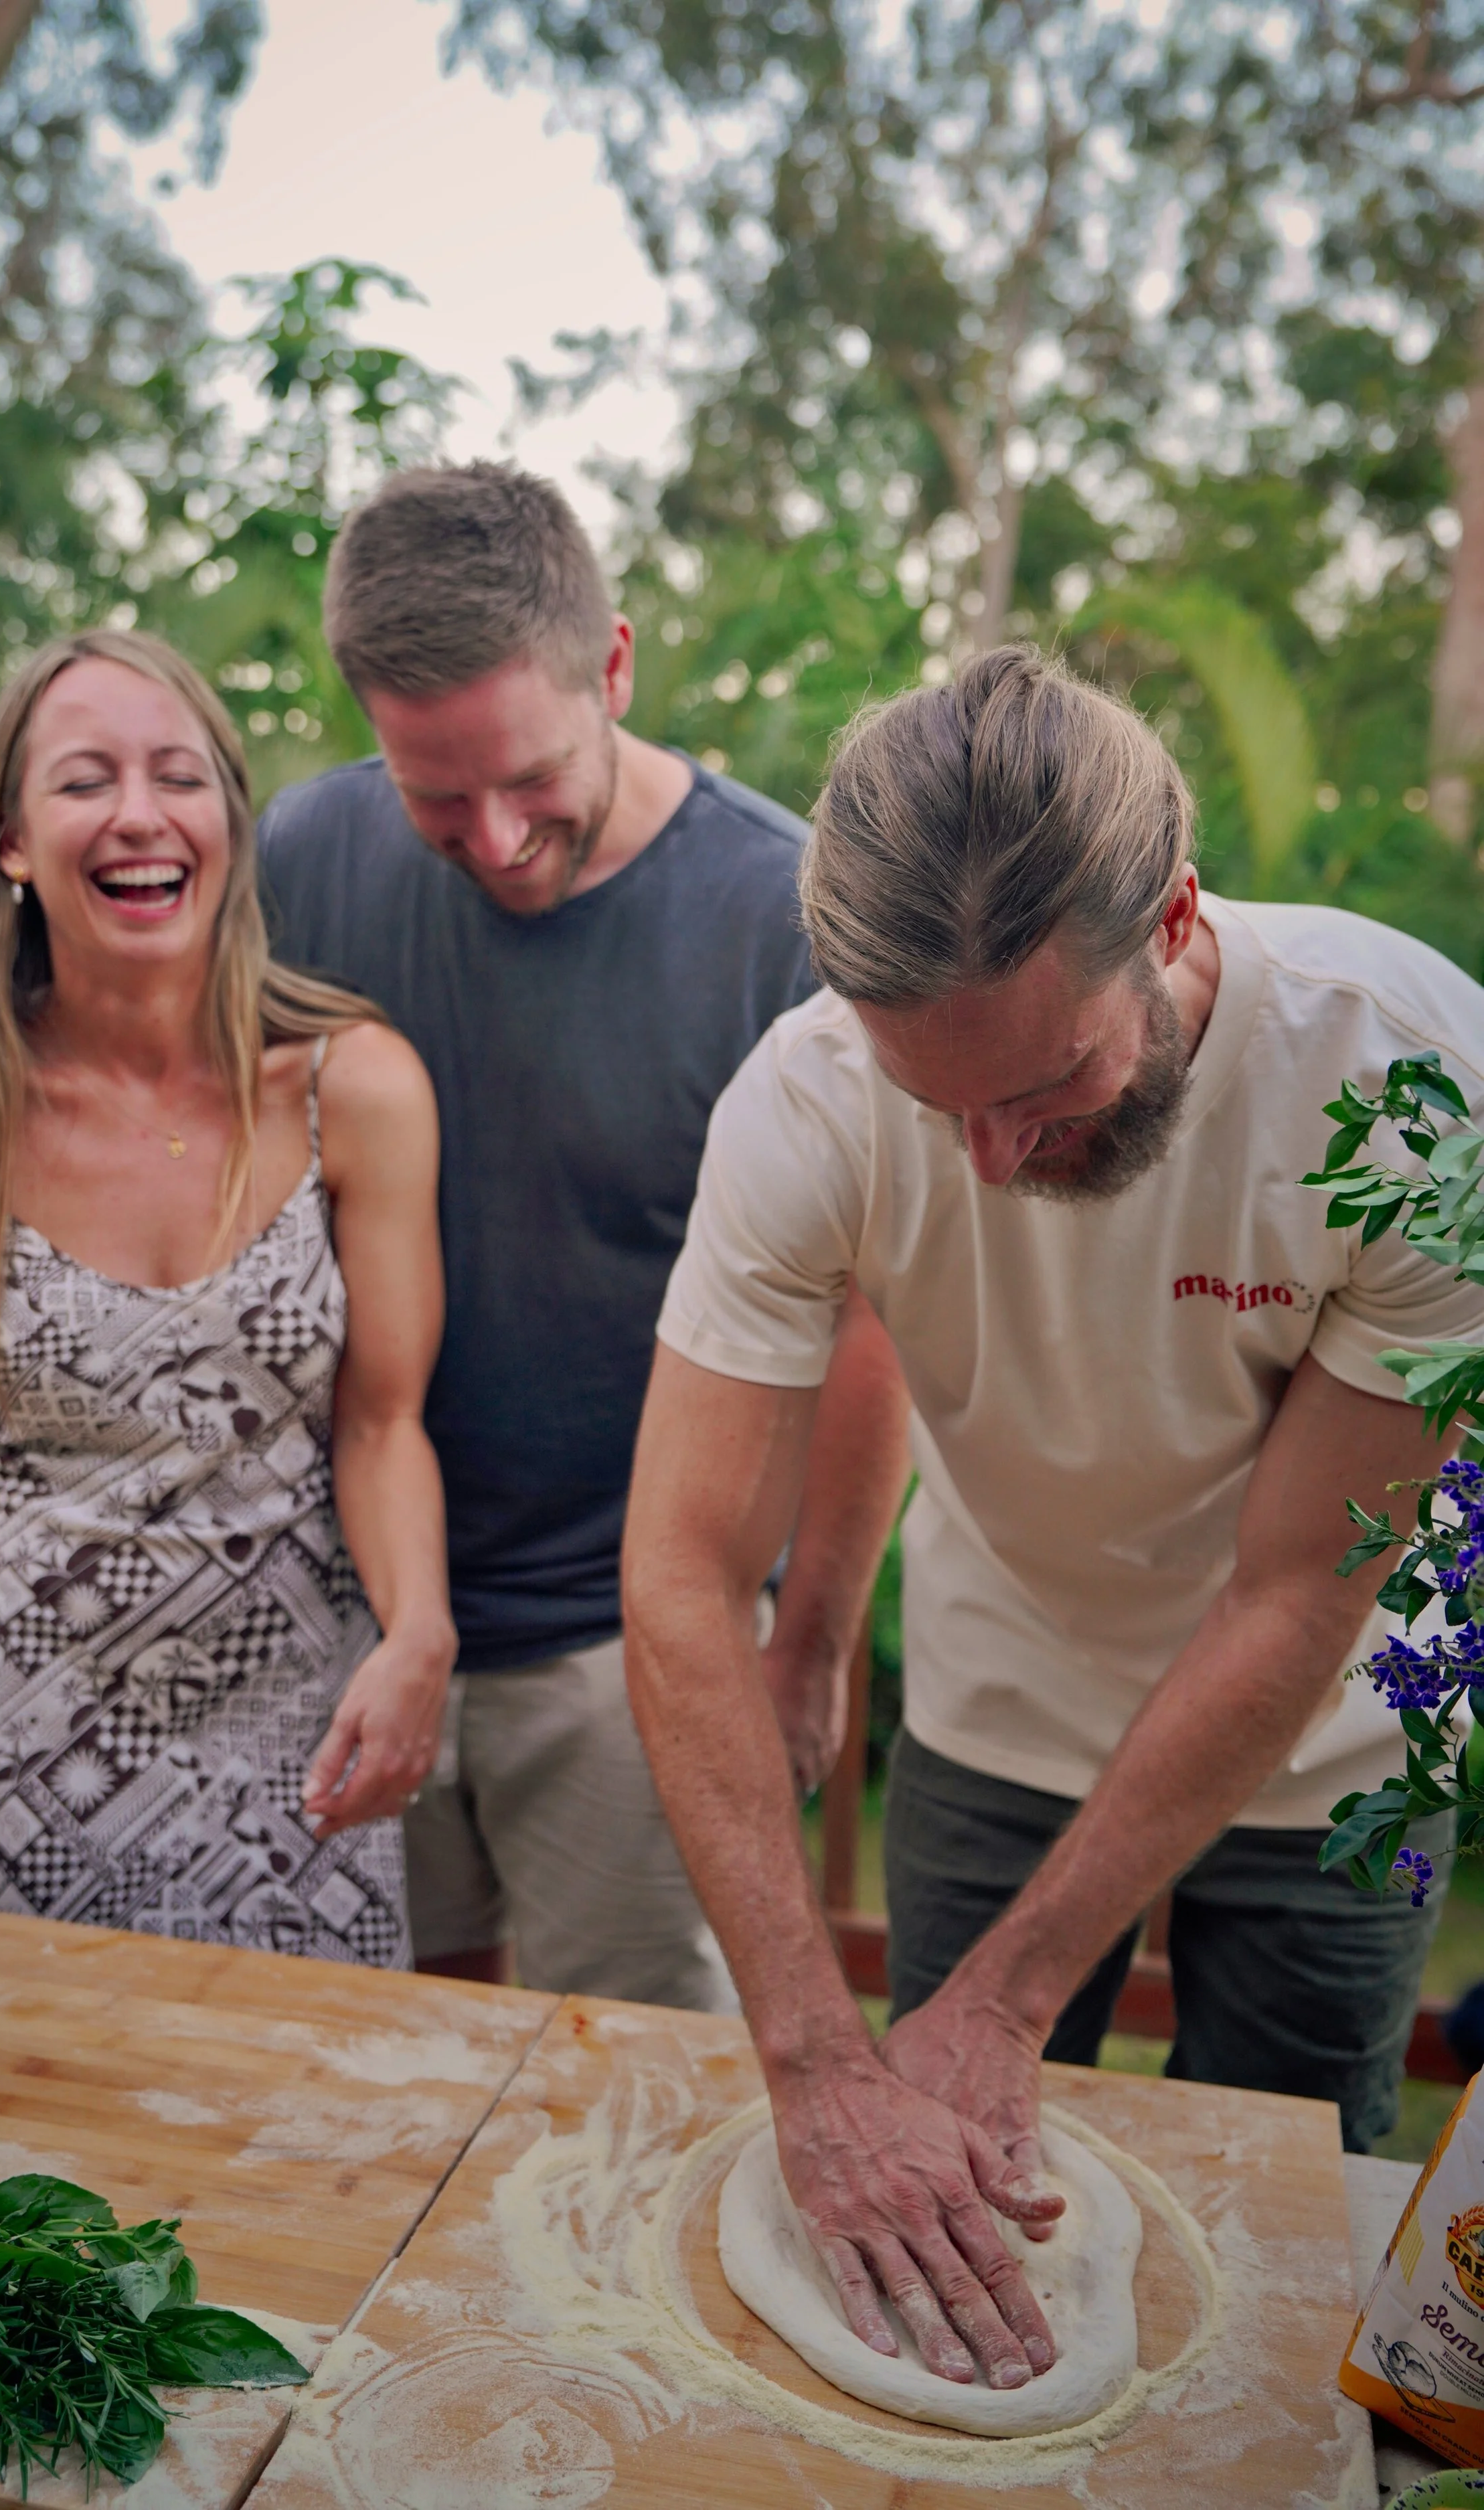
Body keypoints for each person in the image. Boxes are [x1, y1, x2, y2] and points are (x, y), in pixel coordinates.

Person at [0, 464, 908, 2009]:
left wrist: (806, 1645)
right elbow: (104, 977)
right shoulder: (315, 854)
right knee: (385, 2090)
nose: (494, 835)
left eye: (527, 778)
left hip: (627, 1643)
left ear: (615, 666)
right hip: (339, 1643)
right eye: (434, 794)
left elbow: (874, 1320)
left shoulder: (776, 923)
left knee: (634, 2086)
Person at [623, 645, 1484, 2389]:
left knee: (1267, 2302)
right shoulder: (802, 1102)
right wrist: (808, 2050)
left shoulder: (1410, 1086)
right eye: (938, 1103)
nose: (993, 1164)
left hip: (1327, 1750)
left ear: (1167, 922)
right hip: (994, 1702)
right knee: (944, 2275)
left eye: (1045, 1085)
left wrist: (1009, 2000)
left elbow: (1288, 1601)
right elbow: (679, 1575)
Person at [0, 629, 454, 1960]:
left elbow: (382, 1424)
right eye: (84, 781)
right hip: (23, 1783)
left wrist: (419, 1634)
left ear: (227, 816)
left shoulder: (355, 1089)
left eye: (178, 775)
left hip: (300, 1784)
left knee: (314, 2158)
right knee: (11, 2162)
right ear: (7, 840)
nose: (139, 816)